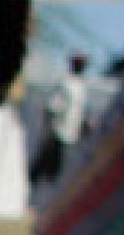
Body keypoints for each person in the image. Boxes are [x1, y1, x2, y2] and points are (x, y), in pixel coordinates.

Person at [31, 51, 90, 185]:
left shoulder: (80, 87)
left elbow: (78, 113)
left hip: (68, 135)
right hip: (57, 132)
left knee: (54, 170)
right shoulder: (67, 83)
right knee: (45, 166)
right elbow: (53, 106)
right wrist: (48, 129)